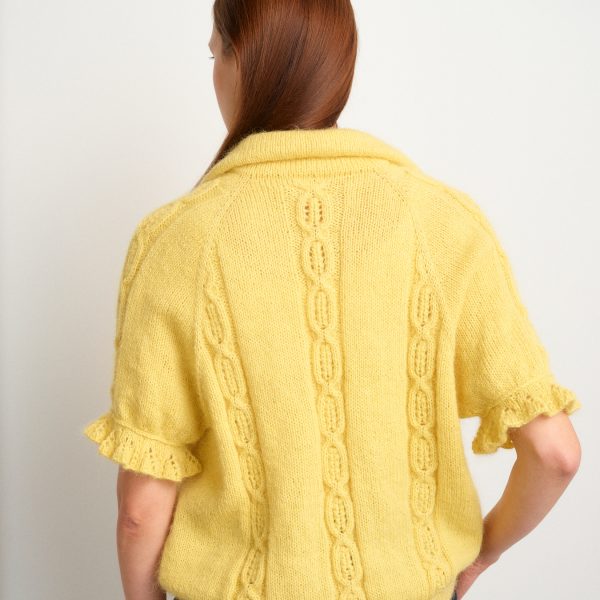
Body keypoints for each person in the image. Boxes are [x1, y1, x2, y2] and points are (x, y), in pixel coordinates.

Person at [82, 2, 582, 599]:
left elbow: (141, 509)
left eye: (214, 52)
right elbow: (555, 454)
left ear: (242, 61)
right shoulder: (445, 224)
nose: (213, 71)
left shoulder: (175, 239)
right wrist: (482, 554)